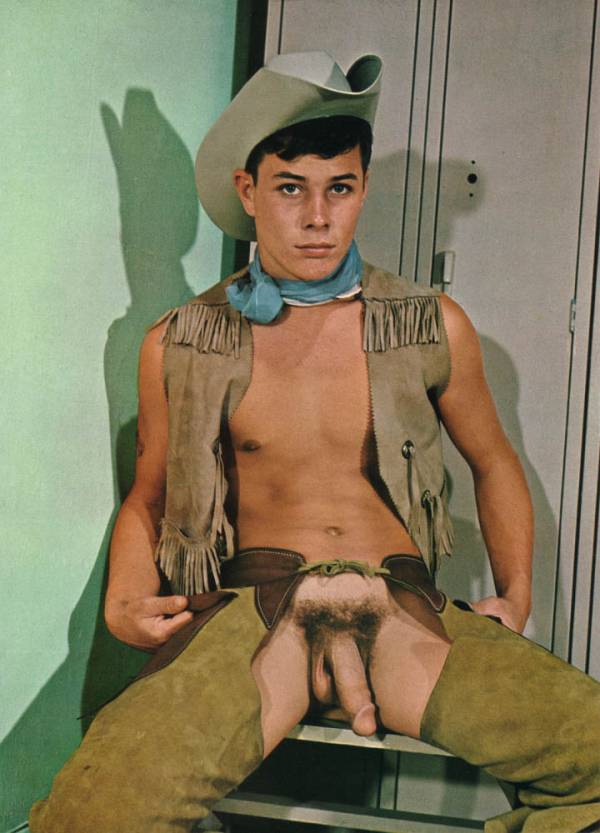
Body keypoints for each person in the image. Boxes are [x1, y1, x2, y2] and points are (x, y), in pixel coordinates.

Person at [30, 51, 600, 833]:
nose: (318, 217)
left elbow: (496, 461)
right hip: (256, 614)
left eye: (340, 188)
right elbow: (149, 494)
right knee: (88, 814)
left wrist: (517, 592)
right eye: (291, 188)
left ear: (362, 189)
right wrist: (124, 602)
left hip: (403, 609)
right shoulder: (182, 339)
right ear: (248, 191)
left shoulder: (430, 323)